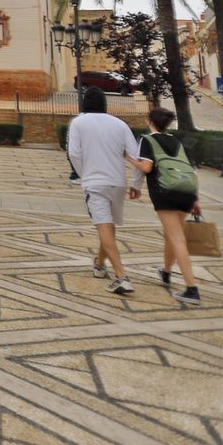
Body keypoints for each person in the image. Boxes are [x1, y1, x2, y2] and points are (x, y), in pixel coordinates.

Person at [65, 87, 142, 296]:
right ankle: (99, 265)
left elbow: (73, 153)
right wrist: (137, 184)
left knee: (104, 226)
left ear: (83, 103)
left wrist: (84, 174)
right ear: (105, 104)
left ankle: (122, 277)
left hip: (95, 182)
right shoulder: (120, 124)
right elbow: (135, 155)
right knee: (107, 226)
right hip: (118, 182)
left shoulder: (78, 123)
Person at [134, 106, 203, 306]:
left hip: (165, 192)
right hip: (186, 192)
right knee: (171, 235)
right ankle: (165, 272)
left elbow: (147, 167)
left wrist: (131, 159)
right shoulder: (176, 141)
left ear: (149, 121)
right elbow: (188, 168)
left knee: (177, 239)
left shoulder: (147, 140)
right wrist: (195, 199)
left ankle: (192, 289)